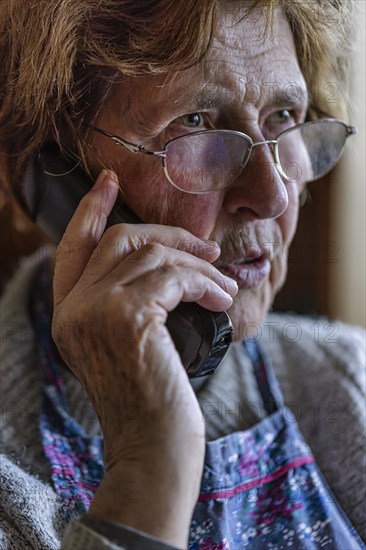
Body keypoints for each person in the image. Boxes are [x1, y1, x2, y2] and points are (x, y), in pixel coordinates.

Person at [0, 1, 365, 549]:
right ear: (58, 170)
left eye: (285, 116)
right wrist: (150, 463)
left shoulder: (349, 380)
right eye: (195, 123)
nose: (271, 195)